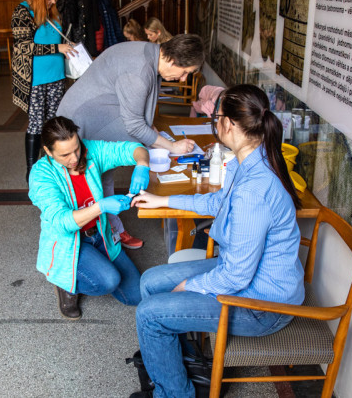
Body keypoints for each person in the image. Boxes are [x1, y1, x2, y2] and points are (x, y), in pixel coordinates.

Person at [130, 84, 304, 398]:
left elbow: (237, 276)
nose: (215, 122)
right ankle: (183, 366)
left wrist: (191, 286)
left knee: (149, 313)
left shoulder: (254, 190)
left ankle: (174, 394)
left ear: (232, 125)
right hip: (243, 275)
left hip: (262, 305)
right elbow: (217, 204)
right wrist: (162, 202)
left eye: (218, 117)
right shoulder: (247, 160)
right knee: (150, 281)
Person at [56, 34, 204, 250]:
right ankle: (89, 240)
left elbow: (136, 111)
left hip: (97, 111)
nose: (183, 79)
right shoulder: (139, 72)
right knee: (86, 180)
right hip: (82, 120)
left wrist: (152, 133)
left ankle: (111, 229)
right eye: (185, 73)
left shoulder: (150, 53)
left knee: (103, 175)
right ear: (174, 60)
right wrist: (172, 147)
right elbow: (134, 125)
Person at [28, 116, 151, 319]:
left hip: (100, 234)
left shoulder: (89, 150)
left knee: (136, 296)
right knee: (109, 280)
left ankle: (96, 262)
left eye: (76, 148)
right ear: (48, 152)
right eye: (65, 155)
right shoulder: (41, 175)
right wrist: (100, 207)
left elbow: (131, 149)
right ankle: (65, 284)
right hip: (70, 242)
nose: (74, 158)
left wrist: (142, 164)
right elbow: (62, 222)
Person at [11, 0, 77, 182]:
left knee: (53, 123)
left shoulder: (51, 13)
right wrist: (58, 48)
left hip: (56, 77)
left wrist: (68, 46)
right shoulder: (22, 12)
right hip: (36, 80)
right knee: (36, 124)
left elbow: (57, 39)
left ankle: (51, 164)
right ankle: (31, 170)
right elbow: (24, 47)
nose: (53, 2)